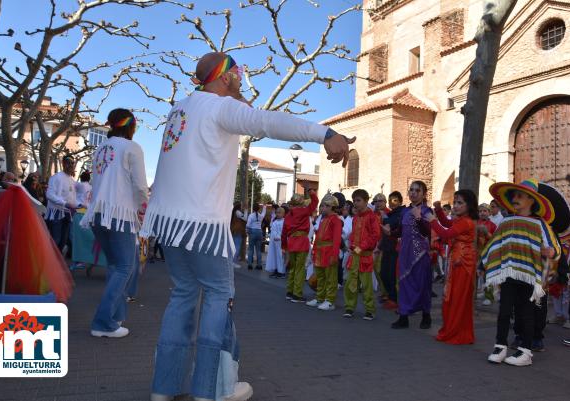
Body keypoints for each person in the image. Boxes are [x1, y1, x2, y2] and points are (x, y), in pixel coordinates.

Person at [141, 52, 355, 401]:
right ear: (224, 77)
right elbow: (267, 122)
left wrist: (235, 95)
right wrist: (325, 133)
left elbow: (245, 112)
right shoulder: (220, 108)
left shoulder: (181, 108)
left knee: (182, 296)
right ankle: (211, 389)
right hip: (202, 225)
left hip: (169, 222)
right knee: (217, 297)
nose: (242, 78)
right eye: (238, 73)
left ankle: (163, 387)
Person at [79, 108, 149, 339]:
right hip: (120, 215)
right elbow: (140, 186)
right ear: (131, 126)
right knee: (123, 268)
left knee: (115, 266)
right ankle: (104, 322)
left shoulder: (100, 148)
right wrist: (143, 209)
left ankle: (116, 317)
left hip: (99, 214)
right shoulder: (132, 148)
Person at [484, 180, 560, 366]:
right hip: (509, 273)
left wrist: (550, 252)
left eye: (520, 195)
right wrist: (486, 261)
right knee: (503, 311)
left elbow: (554, 247)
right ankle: (500, 346)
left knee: (526, 313)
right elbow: (495, 243)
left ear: (531, 200)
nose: (515, 199)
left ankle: (525, 351)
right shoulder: (507, 221)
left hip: (529, 275)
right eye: (513, 196)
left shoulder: (540, 223)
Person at [426, 191, 478, 345]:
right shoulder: (462, 220)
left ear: (469, 205)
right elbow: (448, 224)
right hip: (459, 261)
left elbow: (446, 233)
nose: (455, 205)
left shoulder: (466, 222)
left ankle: (455, 332)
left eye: (460, 202)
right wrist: (438, 210)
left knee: (457, 298)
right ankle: (460, 331)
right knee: (456, 297)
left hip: (463, 263)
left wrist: (432, 221)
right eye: (455, 202)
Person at [392, 181, 433, 329]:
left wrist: (418, 218)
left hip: (420, 253)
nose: (414, 193)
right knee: (404, 284)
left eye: (417, 190)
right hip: (405, 253)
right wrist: (389, 231)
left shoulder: (427, 211)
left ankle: (426, 316)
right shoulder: (404, 211)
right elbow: (400, 231)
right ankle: (403, 317)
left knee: (422, 285)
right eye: (411, 190)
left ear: (423, 194)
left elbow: (427, 232)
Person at [343, 189, 381, 320]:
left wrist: (360, 248)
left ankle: (369, 309)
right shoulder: (356, 218)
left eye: (358, 200)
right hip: (355, 254)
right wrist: (351, 245)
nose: (356, 203)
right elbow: (353, 234)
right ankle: (349, 307)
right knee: (350, 282)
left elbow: (375, 235)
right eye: (354, 201)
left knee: (366, 284)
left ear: (366, 201)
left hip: (365, 255)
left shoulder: (372, 217)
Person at [306, 194, 342, 311]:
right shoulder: (323, 219)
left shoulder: (336, 220)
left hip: (329, 252)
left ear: (332, 207)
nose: (322, 208)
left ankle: (330, 301)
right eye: (322, 206)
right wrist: (314, 251)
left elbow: (337, 239)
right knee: (320, 277)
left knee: (331, 278)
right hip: (320, 252)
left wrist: (334, 255)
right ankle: (320, 297)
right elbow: (318, 238)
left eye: (325, 206)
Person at [283, 190, 319, 303]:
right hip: (302, 242)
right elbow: (315, 202)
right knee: (300, 269)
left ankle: (290, 291)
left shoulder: (288, 215)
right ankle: (297, 294)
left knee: (293, 268)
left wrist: (284, 246)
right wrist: (312, 192)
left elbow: (284, 232)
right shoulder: (304, 211)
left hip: (291, 242)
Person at [46, 155, 78, 253]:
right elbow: (49, 194)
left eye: (72, 163)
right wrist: (65, 203)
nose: (71, 165)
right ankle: (50, 262)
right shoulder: (56, 177)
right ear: (63, 163)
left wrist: (79, 204)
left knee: (63, 241)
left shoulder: (72, 181)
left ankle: (56, 262)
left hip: (68, 214)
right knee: (55, 240)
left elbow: (73, 198)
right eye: (68, 162)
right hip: (56, 213)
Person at [379, 191, 405, 310]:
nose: (391, 203)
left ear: (400, 201)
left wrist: (384, 218)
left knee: (391, 274)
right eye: (390, 200)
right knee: (383, 273)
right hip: (387, 247)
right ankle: (391, 296)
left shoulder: (401, 213)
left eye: (394, 200)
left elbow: (393, 224)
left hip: (395, 248)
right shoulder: (390, 214)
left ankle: (394, 299)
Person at [265, 206, 286, 278]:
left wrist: (279, 236)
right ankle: (276, 269)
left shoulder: (284, 221)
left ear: (283, 214)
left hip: (280, 242)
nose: (277, 214)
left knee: (280, 257)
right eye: (277, 213)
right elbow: (273, 230)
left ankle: (281, 271)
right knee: (274, 256)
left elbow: (284, 232)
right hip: (274, 242)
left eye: (279, 213)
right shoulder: (275, 221)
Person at [246, 203, 266, 270]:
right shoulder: (260, 216)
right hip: (259, 232)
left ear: (253, 208)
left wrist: (247, 231)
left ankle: (250, 264)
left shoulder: (251, 216)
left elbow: (248, 225)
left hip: (252, 231)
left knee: (251, 249)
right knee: (258, 250)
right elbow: (264, 213)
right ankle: (259, 265)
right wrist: (264, 207)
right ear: (258, 209)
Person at [230, 201, 248, 267]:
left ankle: (232, 261)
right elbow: (245, 218)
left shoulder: (234, 212)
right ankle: (233, 262)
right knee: (237, 247)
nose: (242, 207)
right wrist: (246, 210)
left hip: (234, 230)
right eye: (241, 206)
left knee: (234, 246)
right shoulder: (237, 212)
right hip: (238, 231)